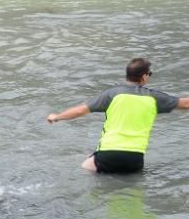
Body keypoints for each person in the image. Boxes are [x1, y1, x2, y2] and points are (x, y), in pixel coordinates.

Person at [47, 57, 189, 174]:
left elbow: (79, 111)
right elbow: (185, 104)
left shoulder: (112, 94)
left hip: (109, 153)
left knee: (85, 169)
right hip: (135, 158)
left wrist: (57, 116)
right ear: (144, 76)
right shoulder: (154, 98)